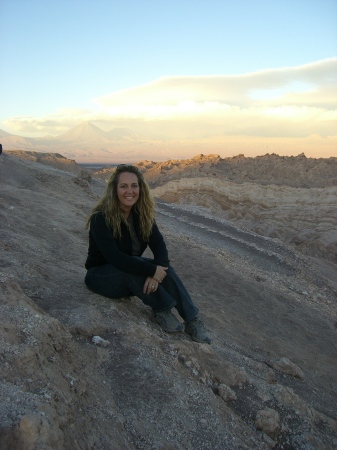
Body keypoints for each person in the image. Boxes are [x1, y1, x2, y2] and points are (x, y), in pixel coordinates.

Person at [84, 164, 211, 344]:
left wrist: (157, 273)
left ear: (141, 188)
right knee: (137, 267)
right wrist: (151, 271)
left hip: (127, 274)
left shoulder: (142, 216)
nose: (130, 191)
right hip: (101, 277)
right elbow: (115, 258)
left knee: (164, 269)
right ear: (114, 189)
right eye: (124, 186)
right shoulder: (101, 218)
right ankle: (162, 310)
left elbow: (160, 247)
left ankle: (192, 320)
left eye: (134, 186)